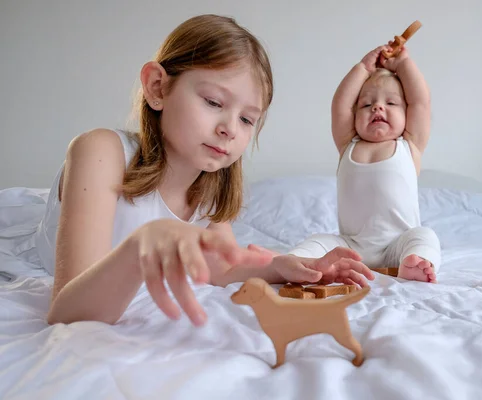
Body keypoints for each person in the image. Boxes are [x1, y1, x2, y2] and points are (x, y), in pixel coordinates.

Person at [35, 14, 374, 328]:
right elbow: (68, 313)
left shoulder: (207, 187)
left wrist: (279, 266)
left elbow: (221, 267)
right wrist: (142, 246)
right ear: (157, 87)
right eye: (213, 102)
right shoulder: (101, 152)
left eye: (247, 119)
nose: (230, 128)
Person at [286, 43, 441, 283]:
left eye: (391, 103)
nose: (378, 107)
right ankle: (297, 261)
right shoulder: (347, 145)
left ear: (406, 112)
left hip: (398, 245)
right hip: (351, 246)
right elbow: (340, 104)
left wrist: (403, 65)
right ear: (355, 114)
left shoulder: (409, 146)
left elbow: (421, 101)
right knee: (319, 241)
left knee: (424, 236)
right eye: (367, 104)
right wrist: (362, 68)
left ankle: (416, 262)